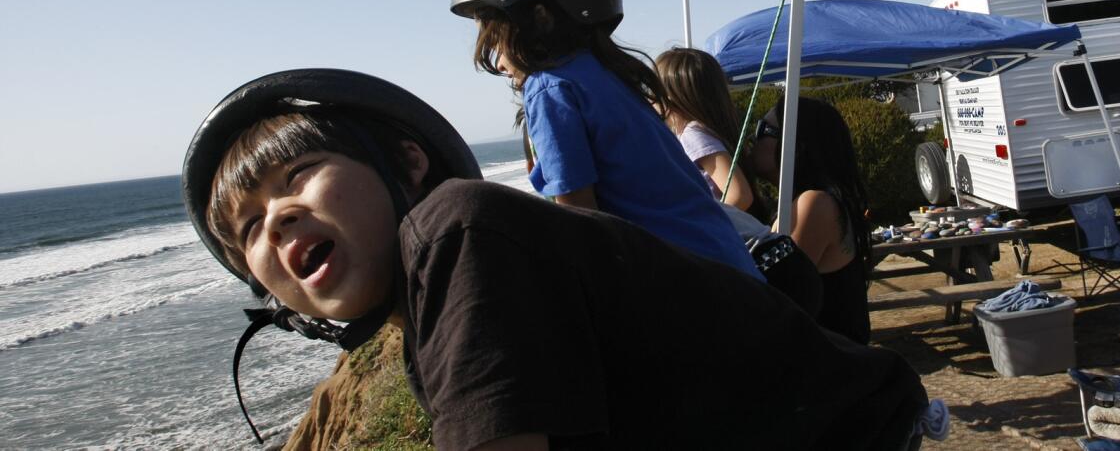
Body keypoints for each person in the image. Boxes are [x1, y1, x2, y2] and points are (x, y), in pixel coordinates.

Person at [183, 67, 947, 449]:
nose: (276, 218)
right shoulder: (432, 290)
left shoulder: (456, 231)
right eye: (247, 228)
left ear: (409, 163)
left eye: (297, 178)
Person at [449, 0, 759, 278]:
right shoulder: (611, 77)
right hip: (732, 272)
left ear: (540, 18)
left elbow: (581, 225)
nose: (499, 61)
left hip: (687, 286)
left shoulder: (550, 88)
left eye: (494, 37)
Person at [750, 97, 872, 345]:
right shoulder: (812, 200)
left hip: (835, 368)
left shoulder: (815, 204)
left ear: (795, 146)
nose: (754, 138)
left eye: (763, 129)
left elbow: (777, 291)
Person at [654, 46, 772, 223]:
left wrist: (705, 230)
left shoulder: (693, 135)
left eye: (652, 89)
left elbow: (739, 195)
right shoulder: (707, 131)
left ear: (671, 96)